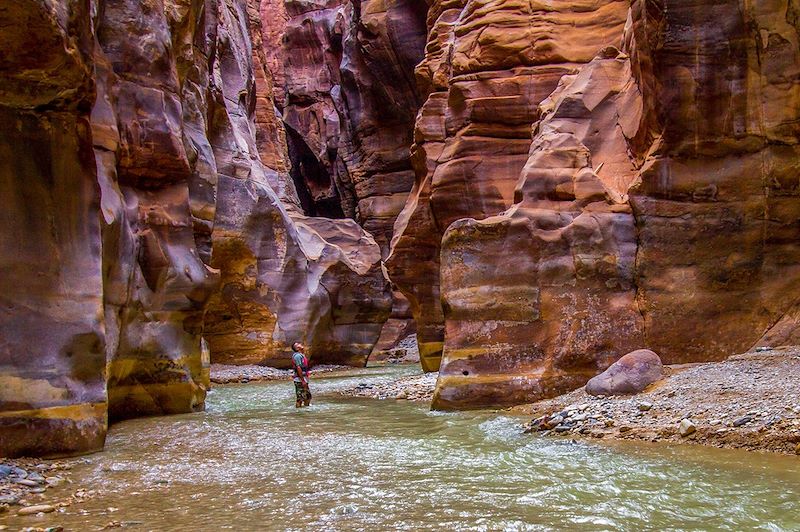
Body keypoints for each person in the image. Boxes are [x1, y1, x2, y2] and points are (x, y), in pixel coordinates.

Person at [291, 342, 312, 407]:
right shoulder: (297, 356)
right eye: (298, 344)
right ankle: (298, 414)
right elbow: (298, 367)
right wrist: (302, 380)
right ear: (297, 348)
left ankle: (306, 412)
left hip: (303, 379)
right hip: (299, 380)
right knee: (300, 399)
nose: (301, 344)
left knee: (308, 397)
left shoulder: (301, 355)